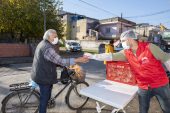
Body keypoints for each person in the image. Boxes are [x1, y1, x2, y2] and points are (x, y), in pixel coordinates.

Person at [84, 30, 170, 113]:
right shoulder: (126, 53)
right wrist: (93, 56)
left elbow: (166, 59)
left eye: (123, 41)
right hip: (143, 86)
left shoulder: (149, 47)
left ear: (130, 39)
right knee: (143, 110)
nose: (122, 43)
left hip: (160, 84)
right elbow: (110, 56)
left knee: (166, 108)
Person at [31, 29, 88, 113]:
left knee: (46, 96)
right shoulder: (47, 48)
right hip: (44, 77)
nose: (56, 38)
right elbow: (60, 61)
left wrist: (63, 64)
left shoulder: (43, 43)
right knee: (44, 100)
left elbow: (52, 59)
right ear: (49, 37)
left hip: (39, 73)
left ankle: (47, 103)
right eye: (55, 36)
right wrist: (77, 60)